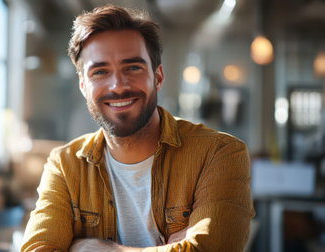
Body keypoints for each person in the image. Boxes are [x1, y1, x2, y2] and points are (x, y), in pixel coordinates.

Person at [21, 5, 254, 252]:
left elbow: (211, 249)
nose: (118, 86)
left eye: (133, 67)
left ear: (158, 77)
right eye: (100, 72)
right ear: (83, 86)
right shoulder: (65, 165)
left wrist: (99, 249)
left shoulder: (219, 153)